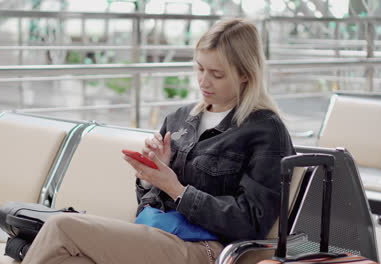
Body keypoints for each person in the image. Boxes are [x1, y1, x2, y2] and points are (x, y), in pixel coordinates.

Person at [22, 18, 295, 264]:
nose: (203, 81)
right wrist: (150, 178)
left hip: (206, 248)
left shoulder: (265, 130)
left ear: (246, 75)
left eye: (217, 74)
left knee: (61, 227)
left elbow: (252, 222)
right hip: (156, 233)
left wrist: (176, 189)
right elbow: (147, 204)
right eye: (200, 68)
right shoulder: (179, 119)